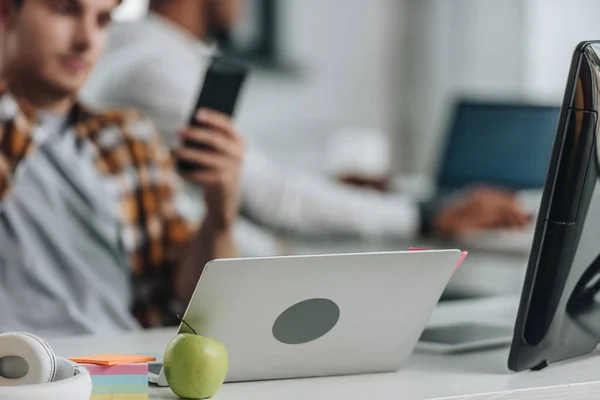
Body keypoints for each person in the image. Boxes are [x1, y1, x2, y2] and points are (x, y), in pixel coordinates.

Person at [81, 0, 530, 251]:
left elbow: (251, 173)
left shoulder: (141, 52)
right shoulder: (158, 68)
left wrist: (332, 183)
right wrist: (430, 214)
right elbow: (268, 197)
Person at [0, 0, 244, 336]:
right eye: (65, 10)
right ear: (6, 12)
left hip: (120, 372)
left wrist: (219, 216)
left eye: (102, 20)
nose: (86, 39)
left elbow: (192, 298)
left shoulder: (128, 138)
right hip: (21, 375)